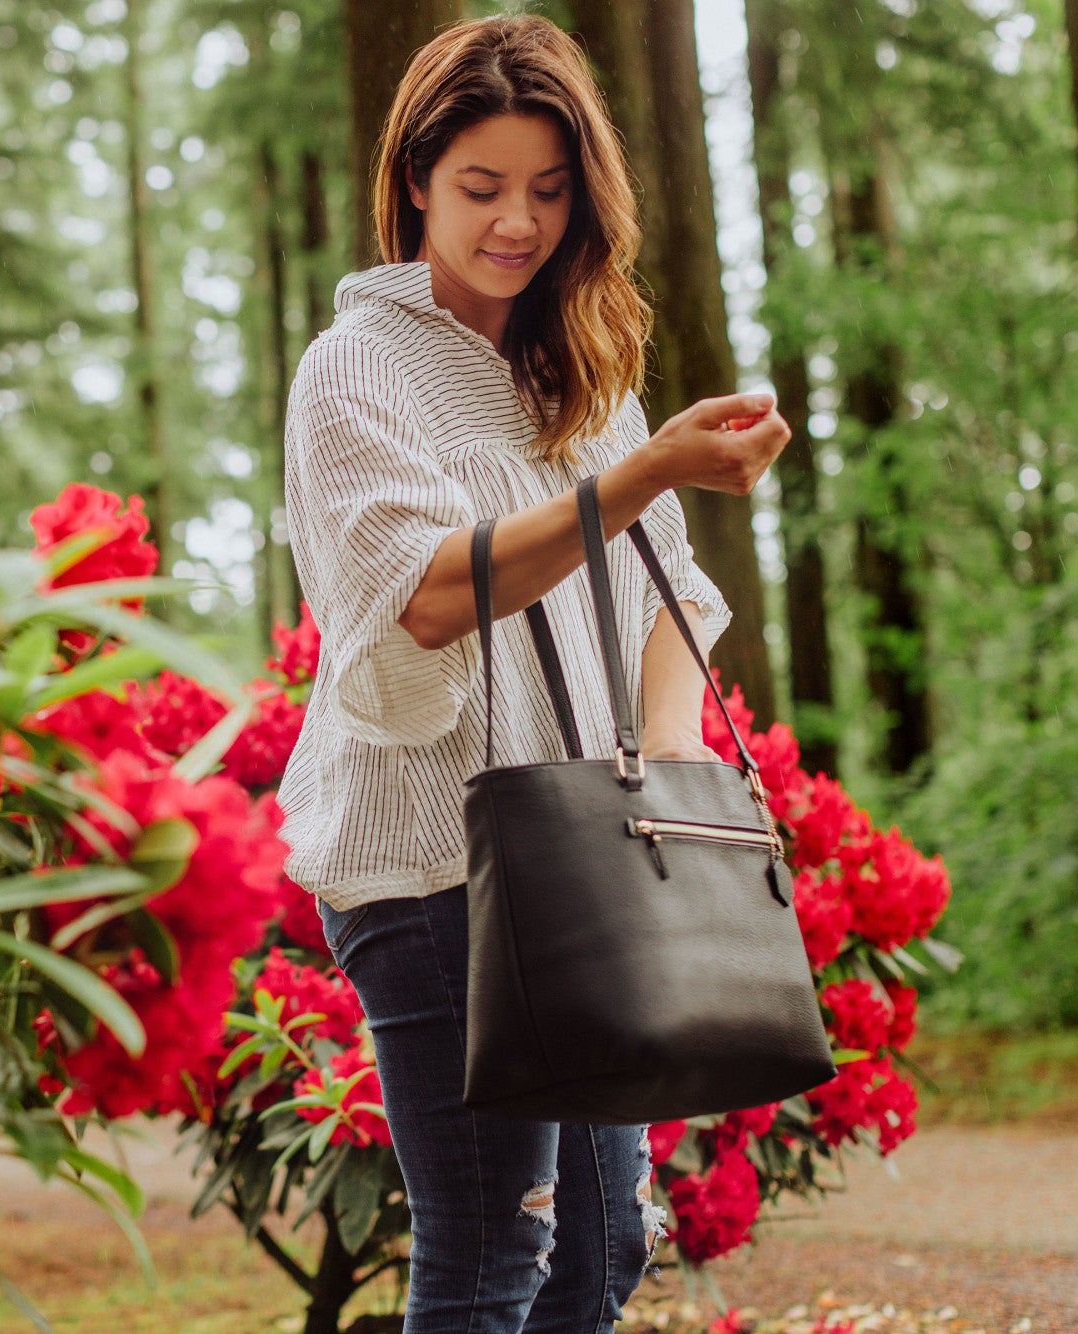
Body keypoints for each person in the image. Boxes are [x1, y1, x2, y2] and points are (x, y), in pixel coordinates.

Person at [277, 14, 792, 1333]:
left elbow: (675, 594)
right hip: (434, 864)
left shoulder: (582, 372)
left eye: (550, 189)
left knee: (599, 1249)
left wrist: (669, 759)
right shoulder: (357, 370)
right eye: (484, 187)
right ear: (414, 185)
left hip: (580, 855)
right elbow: (432, 593)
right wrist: (645, 473)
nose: (519, 220)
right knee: (493, 1252)